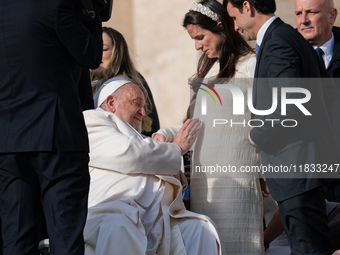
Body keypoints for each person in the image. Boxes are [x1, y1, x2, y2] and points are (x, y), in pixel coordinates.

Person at [225, 0, 339, 254]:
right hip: (299, 171)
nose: (235, 27)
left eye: (234, 18)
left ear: (247, 7)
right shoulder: (285, 37)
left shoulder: (279, 41)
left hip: (297, 171)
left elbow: (288, 104)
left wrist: (256, 135)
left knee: (308, 249)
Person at [153, 0, 265, 253]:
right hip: (206, 183)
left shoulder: (251, 64)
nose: (197, 45)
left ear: (221, 27)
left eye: (201, 36)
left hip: (237, 174)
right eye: (193, 39)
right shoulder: (208, 71)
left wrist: (263, 165)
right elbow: (197, 124)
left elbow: (270, 118)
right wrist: (165, 133)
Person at [0, 0, 103, 254]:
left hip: (8, 141)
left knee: (16, 241)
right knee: (65, 237)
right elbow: (91, 55)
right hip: (56, 138)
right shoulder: (56, 6)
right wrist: (93, 13)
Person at [82, 77, 224, 255]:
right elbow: (132, 155)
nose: (142, 112)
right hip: (114, 211)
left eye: (143, 108)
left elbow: (153, 155)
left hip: (156, 219)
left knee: (200, 229)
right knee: (120, 227)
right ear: (111, 102)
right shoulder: (92, 121)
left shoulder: (143, 140)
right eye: (136, 103)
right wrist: (176, 148)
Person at [294, 0, 340, 202]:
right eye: (298, 13)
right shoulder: (286, 57)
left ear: (332, 16)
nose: (303, 21)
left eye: (311, 12)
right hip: (306, 181)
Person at [91, 27, 160, 136]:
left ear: (117, 53)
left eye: (103, 49)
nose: (96, 53)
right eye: (92, 47)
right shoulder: (83, 83)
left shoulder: (124, 85)